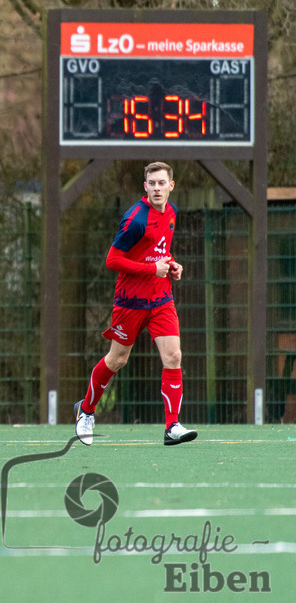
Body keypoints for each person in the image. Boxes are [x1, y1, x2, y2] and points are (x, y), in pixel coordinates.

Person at [74, 161, 197, 447]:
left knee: (174, 356)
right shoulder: (135, 219)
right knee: (117, 360)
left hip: (161, 299)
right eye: (152, 183)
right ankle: (86, 411)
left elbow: (158, 251)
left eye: (161, 183)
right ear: (145, 187)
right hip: (130, 301)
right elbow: (112, 260)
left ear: (171, 185)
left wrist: (171, 265)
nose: (157, 188)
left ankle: (172, 426)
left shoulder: (172, 213)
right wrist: (151, 270)